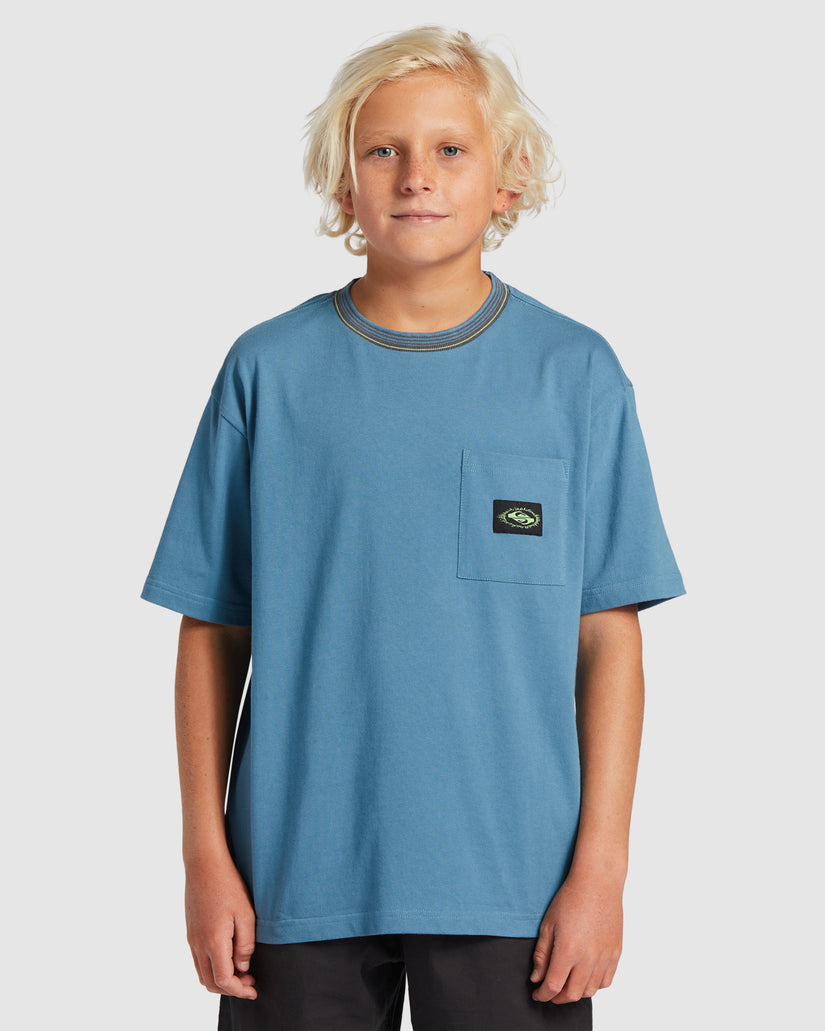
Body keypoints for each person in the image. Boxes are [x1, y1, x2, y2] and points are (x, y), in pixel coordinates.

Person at [140, 25, 685, 1031]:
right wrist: (203, 855)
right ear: (342, 182)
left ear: (508, 178)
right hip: (293, 877)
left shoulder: (575, 375)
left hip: (516, 883)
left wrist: (601, 871)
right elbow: (212, 629)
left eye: (450, 149)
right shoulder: (268, 372)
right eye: (382, 149)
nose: (415, 176)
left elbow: (609, 637)